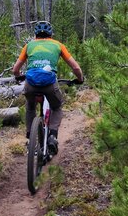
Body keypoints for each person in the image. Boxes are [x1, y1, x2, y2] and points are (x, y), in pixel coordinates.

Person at [12, 21, 84, 155]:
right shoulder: (58, 45)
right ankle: (52, 135)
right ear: (50, 34)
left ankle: (29, 136)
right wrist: (80, 79)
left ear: (36, 34)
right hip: (50, 84)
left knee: (30, 107)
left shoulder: (29, 45)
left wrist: (19, 76)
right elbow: (75, 67)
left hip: (30, 84)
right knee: (56, 107)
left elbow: (15, 69)